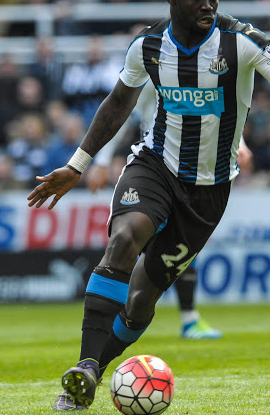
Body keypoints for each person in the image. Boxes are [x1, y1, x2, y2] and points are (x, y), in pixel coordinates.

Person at [27, 0, 270, 411]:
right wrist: (78, 164)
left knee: (142, 298)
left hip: (210, 191)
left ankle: (97, 370)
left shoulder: (241, 40)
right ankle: (82, 369)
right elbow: (118, 103)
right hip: (155, 165)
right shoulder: (147, 46)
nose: (208, 6)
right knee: (125, 238)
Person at [86, 79, 253, 340]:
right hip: (156, 167)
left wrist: (239, 141)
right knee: (136, 243)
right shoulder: (155, 67)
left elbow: (214, 109)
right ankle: (113, 318)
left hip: (192, 170)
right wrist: (103, 160)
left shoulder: (199, 63)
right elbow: (120, 110)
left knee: (178, 245)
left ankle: (183, 319)